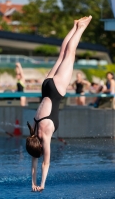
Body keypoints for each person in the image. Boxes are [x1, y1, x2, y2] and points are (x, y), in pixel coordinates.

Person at [26, 16, 92, 191]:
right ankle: (74, 26)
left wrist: (41, 185)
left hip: (56, 89)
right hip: (46, 86)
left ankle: (81, 28)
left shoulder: (45, 136)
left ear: (39, 146)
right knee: (62, 53)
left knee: (70, 54)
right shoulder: (33, 130)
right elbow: (34, 162)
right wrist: (32, 182)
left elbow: (44, 164)